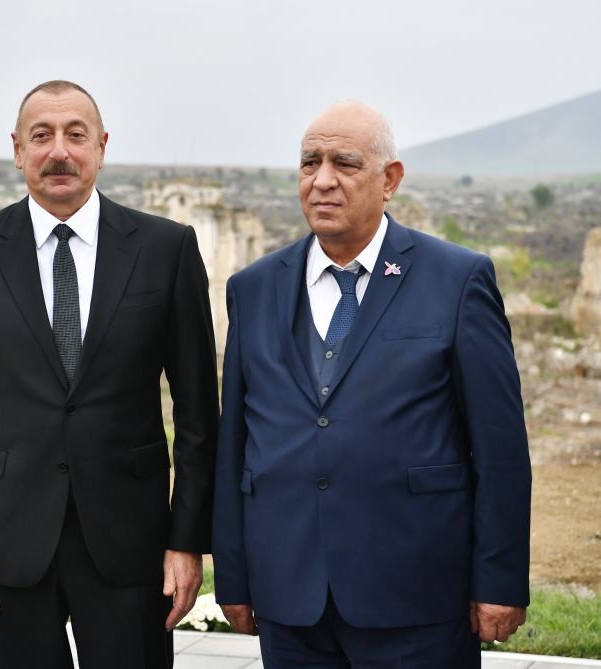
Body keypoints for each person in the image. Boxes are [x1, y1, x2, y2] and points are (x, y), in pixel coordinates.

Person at [211, 102, 531, 668]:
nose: (323, 180)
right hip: (291, 600)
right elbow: (234, 442)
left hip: (417, 596)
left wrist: (500, 580)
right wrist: (234, 575)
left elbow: (501, 448)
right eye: (310, 163)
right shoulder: (254, 288)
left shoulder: (457, 280)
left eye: (345, 163)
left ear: (390, 180)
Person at [0, 80, 219, 669]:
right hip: (8, 544)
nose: (59, 151)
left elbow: (197, 417)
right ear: (17, 149)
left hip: (129, 540)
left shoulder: (166, 249)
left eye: (75, 135)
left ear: (102, 147)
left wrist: (187, 542)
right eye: (42, 136)